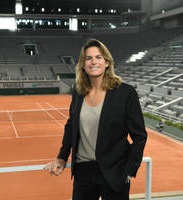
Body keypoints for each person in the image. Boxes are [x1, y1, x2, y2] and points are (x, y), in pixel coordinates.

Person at [43, 39, 147, 200]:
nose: (93, 62)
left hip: (114, 172)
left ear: (107, 62)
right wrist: (62, 157)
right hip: (83, 172)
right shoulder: (78, 91)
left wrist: (128, 171)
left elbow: (140, 136)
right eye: (88, 58)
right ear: (83, 65)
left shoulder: (126, 93)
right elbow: (71, 125)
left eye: (98, 57)